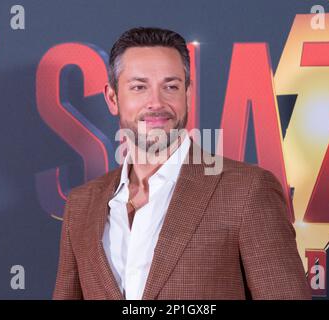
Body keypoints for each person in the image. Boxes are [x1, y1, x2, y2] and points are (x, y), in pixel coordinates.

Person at [53, 27, 311, 300]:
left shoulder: (246, 190)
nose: (156, 103)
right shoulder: (81, 204)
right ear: (113, 98)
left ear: (187, 94)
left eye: (171, 86)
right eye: (139, 87)